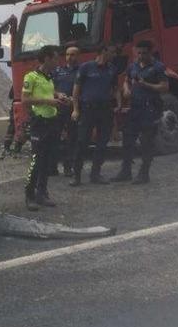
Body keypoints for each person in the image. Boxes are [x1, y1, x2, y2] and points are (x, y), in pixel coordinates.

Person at [112, 40, 169, 184]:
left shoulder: (158, 67)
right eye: (139, 53)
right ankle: (125, 171)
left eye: (144, 53)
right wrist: (126, 89)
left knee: (146, 141)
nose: (141, 56)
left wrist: (146, 84)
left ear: (150, 52)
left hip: (150, 107)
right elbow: (126, 80)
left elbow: (164, 87)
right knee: (128, 138)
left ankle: (144, 173)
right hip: (135, 107)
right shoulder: (133, 66)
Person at [21, 46, 68, 211]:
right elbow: (25, 100)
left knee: (48, 160)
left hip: (52, 121)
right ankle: (29, 195)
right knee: (36, 160)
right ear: (47, 59)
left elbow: (48, 92)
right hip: (39, 123)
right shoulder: (31, 76)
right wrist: (49, 101)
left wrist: (58, 95)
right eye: (55, 58)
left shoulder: (49, 77)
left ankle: (42, 193)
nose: (58, 61)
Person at [70, 43, 121, 187]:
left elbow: (115, 88)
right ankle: (76, 175)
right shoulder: (86, 67)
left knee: (102, 142)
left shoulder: (112, 69)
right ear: (104, 51)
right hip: (88, 109)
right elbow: (76, 90)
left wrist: (118, 103)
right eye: (112, 52)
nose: (114, 55)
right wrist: (75, 109)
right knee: (82, 141)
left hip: (105, 109)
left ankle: (96, 173)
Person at [50, 46, 79, 176]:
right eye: (67, 54)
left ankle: (68, 167)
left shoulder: (82, 71)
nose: (69, 57)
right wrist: (58, 94)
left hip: (74, 109)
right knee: (54, 137)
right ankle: (52, 167)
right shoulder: (58, 71)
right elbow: (50, 87)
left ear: (77, 56)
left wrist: (74, 99)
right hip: (59, 108)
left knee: (72, 139)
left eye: (72, 55)